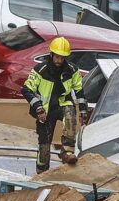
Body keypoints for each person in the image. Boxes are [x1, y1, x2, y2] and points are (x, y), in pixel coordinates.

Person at [22, 37, 88, 173]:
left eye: (62, 57)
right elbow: (26, 89)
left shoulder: (72, 70)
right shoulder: (41, 70)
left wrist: (83, 110)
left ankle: (67, 153)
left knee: (70, 117)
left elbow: (79, 90)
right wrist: (38, 108)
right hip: (45, 110)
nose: (59, 60)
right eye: (57, 57)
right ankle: (42, 171)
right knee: (44, 147)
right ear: (51, 55)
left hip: (63, 104)